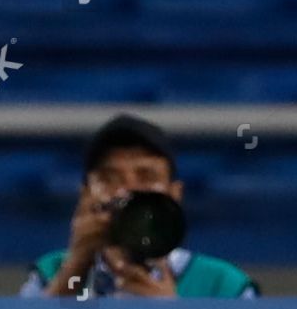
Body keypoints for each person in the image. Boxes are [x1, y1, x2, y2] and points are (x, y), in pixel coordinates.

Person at [21, 113, 258, 299]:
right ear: (85, 195)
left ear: (175, 193)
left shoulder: (223, 286)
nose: (128, 191)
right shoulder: (51, 273)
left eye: (146, 176)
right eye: (109, 178)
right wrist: (72, 273)